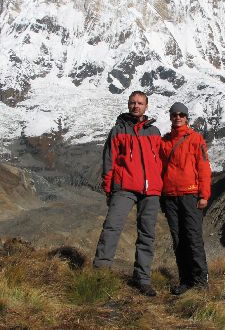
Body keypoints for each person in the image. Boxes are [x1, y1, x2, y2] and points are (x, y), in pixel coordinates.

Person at [93, 91, 163, 297]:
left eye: (140, 103)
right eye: (133, 103)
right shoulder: (118, 130)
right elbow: (109, 162)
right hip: (123, 188)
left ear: (146, 106)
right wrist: (109, 189)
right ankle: (100, 275)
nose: (136, 106)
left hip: (150, 191)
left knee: (147, 235)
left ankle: (142, 279)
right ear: (128, 104)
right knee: (111, 228)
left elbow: (160, 161)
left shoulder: (155, 132)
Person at [160, 102, 211, 295]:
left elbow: (204, 169)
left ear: (187, 117)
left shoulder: (196, 139)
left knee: (193, 238)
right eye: (174, 114)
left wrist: (204, 195)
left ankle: (200, 281)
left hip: (190, 195)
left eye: (181, 114)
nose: (178, 117)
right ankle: (185, 280)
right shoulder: (165, 142)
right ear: (171, 117)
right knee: (178, 239)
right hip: (171, 197)